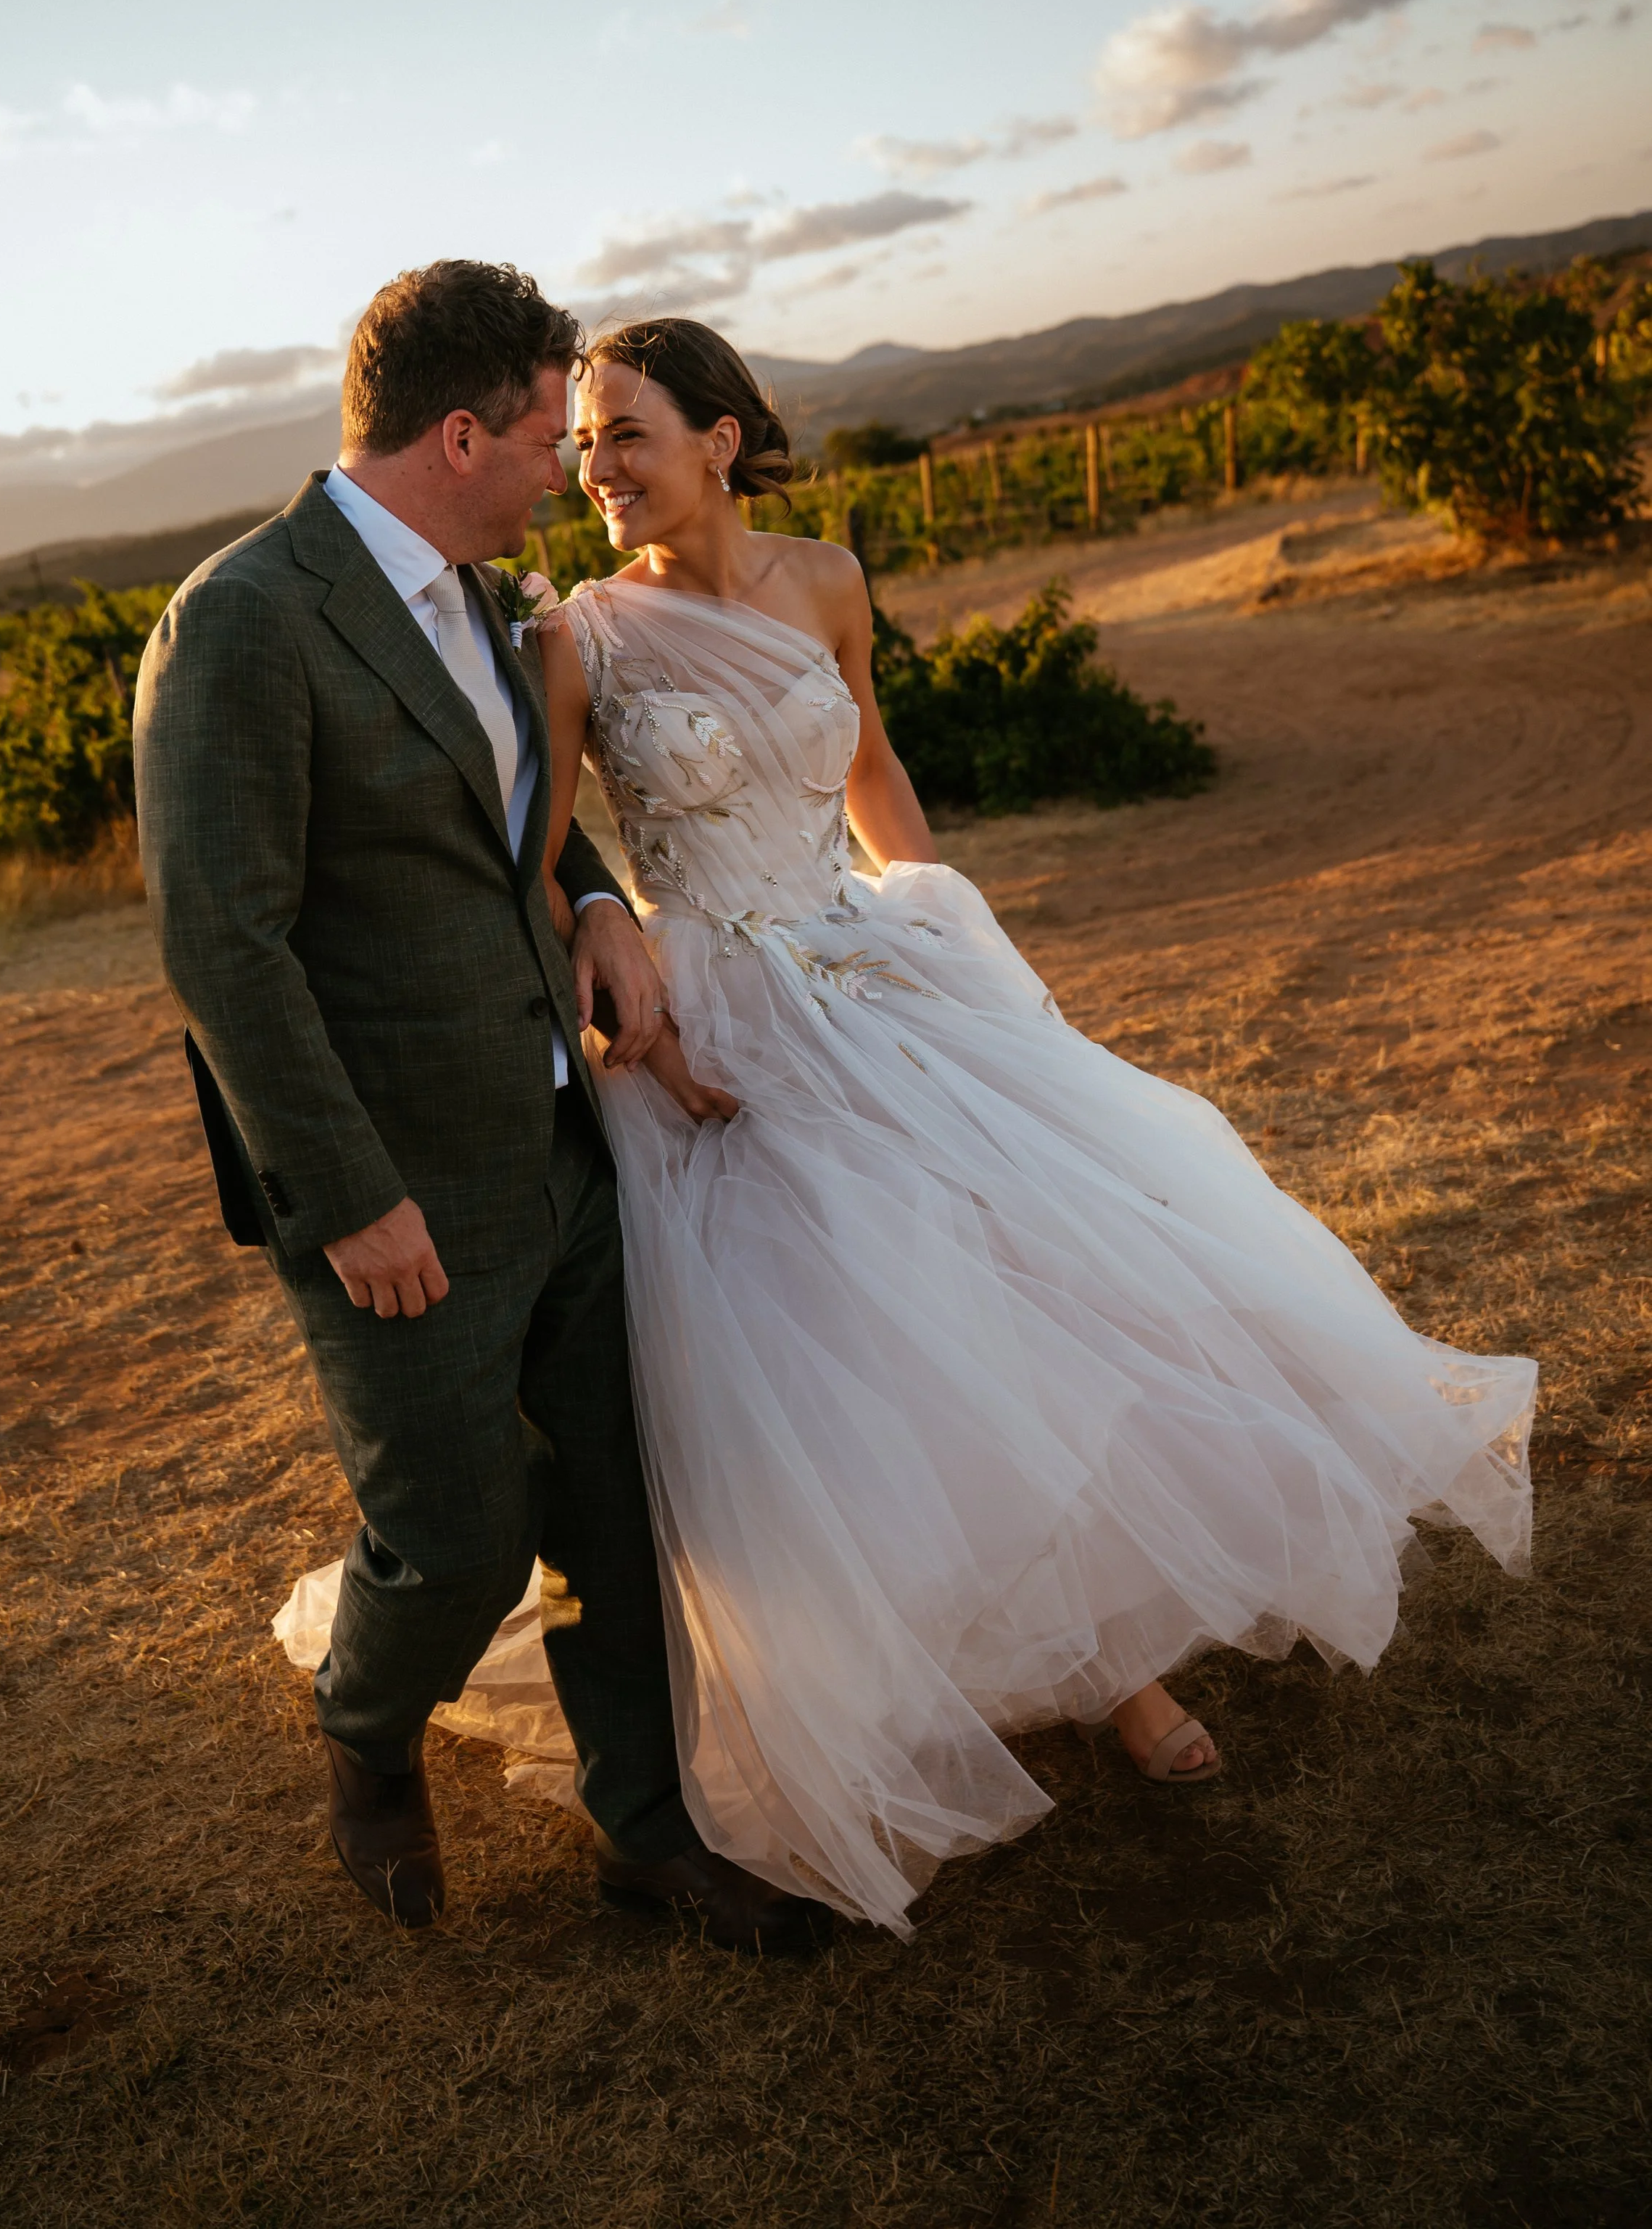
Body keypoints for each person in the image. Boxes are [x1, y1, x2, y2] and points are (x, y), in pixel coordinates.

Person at [503, 313, 1531, 1936]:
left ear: (717, 433)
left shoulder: (827, 576)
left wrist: (947, 929)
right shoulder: (580, 635)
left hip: (876, 968)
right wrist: (605, 939)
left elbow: (873, 767)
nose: (593, 468)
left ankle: (1106, 1648)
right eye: (576, 443)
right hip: (721, 1026)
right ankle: (1064, 1672)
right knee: (867, 1337)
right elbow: (546, 847)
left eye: (622, 431)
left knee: (1035, 1283)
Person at [133, 262, 832, 1953]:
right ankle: (365, 1734)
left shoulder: (491, 595)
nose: (568, 474)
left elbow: (513, 816)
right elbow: (226, 946)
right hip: (397, 1190)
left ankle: (650, 1839)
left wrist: (593, 901)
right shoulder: (243, 621)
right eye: (544, 437)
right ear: (462, 433)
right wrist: (348, 1193)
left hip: (563, 1144)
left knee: (611, 1501)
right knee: (454, 1539)